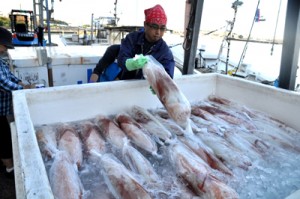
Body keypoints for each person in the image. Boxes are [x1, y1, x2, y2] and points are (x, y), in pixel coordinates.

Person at [89, 4, 175, 83]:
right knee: (114, 49)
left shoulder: (165, 52)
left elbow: (168, 75)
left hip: (144, 88)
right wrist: (130, 63)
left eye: (162, 28)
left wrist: (160, 84)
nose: (158, 32)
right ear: (145, 25)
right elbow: (122, 58)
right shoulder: (132, 39)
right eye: (154, 27)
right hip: (125, 83)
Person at [0, 27, 33, 178]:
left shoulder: (0, 60)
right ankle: (10, 169)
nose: (5, 49)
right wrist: (22, 88)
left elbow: (8, 75)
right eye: (5, 45)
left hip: (4, 109)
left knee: (6, 134)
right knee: (4, 139)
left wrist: (19, 81)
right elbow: (3, 83)